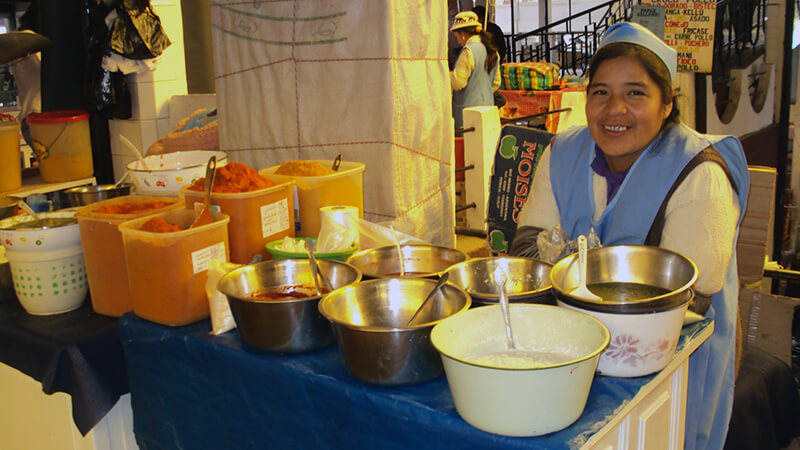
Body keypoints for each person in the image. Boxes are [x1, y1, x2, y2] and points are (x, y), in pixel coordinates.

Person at [508, 22, 749, 450]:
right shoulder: (564, 151)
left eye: (635, 92)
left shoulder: (700, 173)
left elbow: (687, 298)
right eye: (600, 92)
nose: (614, 109)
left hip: (672, 367)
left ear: (667, 102)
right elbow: (526, 250)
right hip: (569, 351)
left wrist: (566, 266)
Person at [449, 11, 501, 131]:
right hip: (488, 108)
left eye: (457, 36)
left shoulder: (468, 52)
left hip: (468, 112)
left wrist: (446, 75)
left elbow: (458, 82)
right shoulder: (493, 51)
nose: (457, 41)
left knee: (469, 146)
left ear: (463, 34)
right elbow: (496, 83)